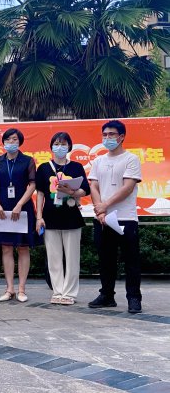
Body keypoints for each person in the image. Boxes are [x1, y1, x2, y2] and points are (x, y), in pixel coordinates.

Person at [87, 120, 142, 314]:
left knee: (131, 261)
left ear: (121, 137)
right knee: (106, 260)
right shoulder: (98, 161)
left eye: (111, 134)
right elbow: (93, 186)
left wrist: (105, 204)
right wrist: (100, 210)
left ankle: (134, 298)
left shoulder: (131, 159)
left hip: (126, 218)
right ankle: (107, 295)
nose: (107, 138)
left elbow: (128, 187)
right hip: (103, 219)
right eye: (104, 135)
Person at [35, 132, 90, 305]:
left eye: (64, 144)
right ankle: (57, 291)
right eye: (57, 144)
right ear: (51, 147)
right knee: (53, 258)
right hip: (50, 217)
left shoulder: (76, 167)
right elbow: (40, 193)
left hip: (71, 216)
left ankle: (70, 293)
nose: (60, 147)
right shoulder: (44, 168)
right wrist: (38, 217)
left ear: (69, 147)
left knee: (72, 257)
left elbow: (85, 190)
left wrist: (71, 192)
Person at [0, 128, 37, 303]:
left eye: (15, 139)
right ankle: (9, 288)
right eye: (8, 139)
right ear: (3, 142)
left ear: (20, 141)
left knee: (23, 247)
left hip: (22, 209)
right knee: (6, 247)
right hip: (2, 209)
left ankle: (22, 289)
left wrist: (19, 205)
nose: (11, 142)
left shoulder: (27, 161)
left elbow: (32, 185)